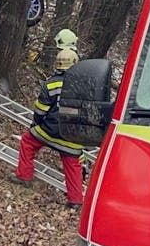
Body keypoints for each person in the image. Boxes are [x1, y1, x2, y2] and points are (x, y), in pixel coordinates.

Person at [15, 48, 93, 208]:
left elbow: (40, 110)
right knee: (73, 165)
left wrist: (36, 124)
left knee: (27, 142)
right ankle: (76, 201)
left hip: (48, 132)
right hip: (71, 137)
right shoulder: (85, 87)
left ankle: (24, 176)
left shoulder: (50, 84)